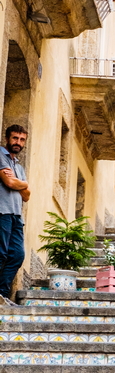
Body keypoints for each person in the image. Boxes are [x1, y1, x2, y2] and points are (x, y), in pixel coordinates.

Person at [0, 125, 29, 307]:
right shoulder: (0, 156)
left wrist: (22, 184)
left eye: (22, 139)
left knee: (17, 255)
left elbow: (26, 195)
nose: (18, 142)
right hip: (2, 211)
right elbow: (9, 182)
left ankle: (1, 294)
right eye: (15, 138)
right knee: (1, 254)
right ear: (7, 138)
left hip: (17, 216)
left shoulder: (18, 165)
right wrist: (23, 183)